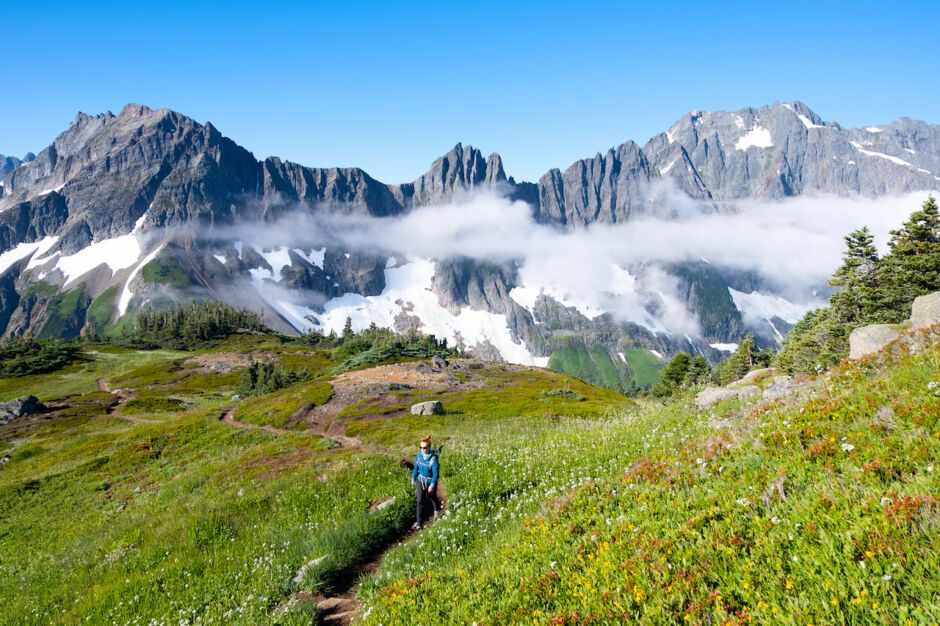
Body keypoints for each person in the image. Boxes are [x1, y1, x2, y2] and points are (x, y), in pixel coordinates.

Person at [410, 435, 440, 529]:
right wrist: (413, 478)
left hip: (430, 480)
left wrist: (432, 485)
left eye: (424, 447)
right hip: (420, 480)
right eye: (421, 447)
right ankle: (418, 522)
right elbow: (416, 468)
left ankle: (436, 510)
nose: (422, 449)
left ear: (429, 447)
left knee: (432, 496)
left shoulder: (433, 459)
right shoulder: (419, 456)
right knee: (419, 500)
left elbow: (436, 474)